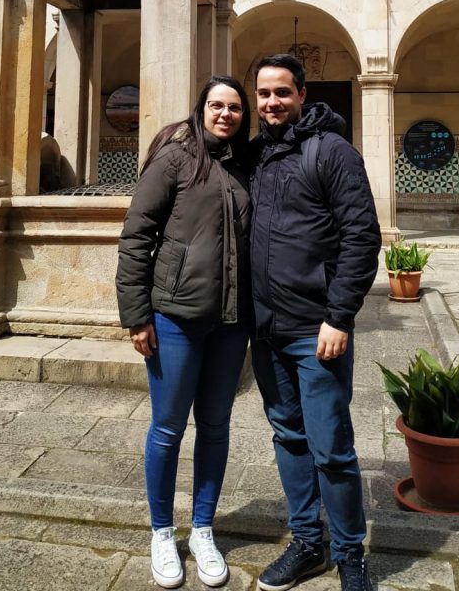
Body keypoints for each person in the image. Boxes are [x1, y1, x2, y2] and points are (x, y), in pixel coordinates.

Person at [249, 54, 381, 591]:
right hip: (266, 329)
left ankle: (351, 556)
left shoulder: (331, 151)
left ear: (302, 94)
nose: (272, 102)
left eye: (282, 92)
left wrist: (339, 316)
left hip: (316, 331)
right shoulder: (256, 155)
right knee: (288, 436)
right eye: (264, 93)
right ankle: (308, 543)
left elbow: (362, 237)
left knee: (331, 449)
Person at [116, 76, 252, 589]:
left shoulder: (244, 164)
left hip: (230, 323)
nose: (225, 113)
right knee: (168, 428)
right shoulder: (175, 158)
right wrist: (136, 315)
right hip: (175, 317)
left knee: (215, 427)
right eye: (216, 104)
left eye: (234, 107)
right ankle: (160, 531)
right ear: (201, 108)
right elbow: (136, 236)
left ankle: (202, 529)